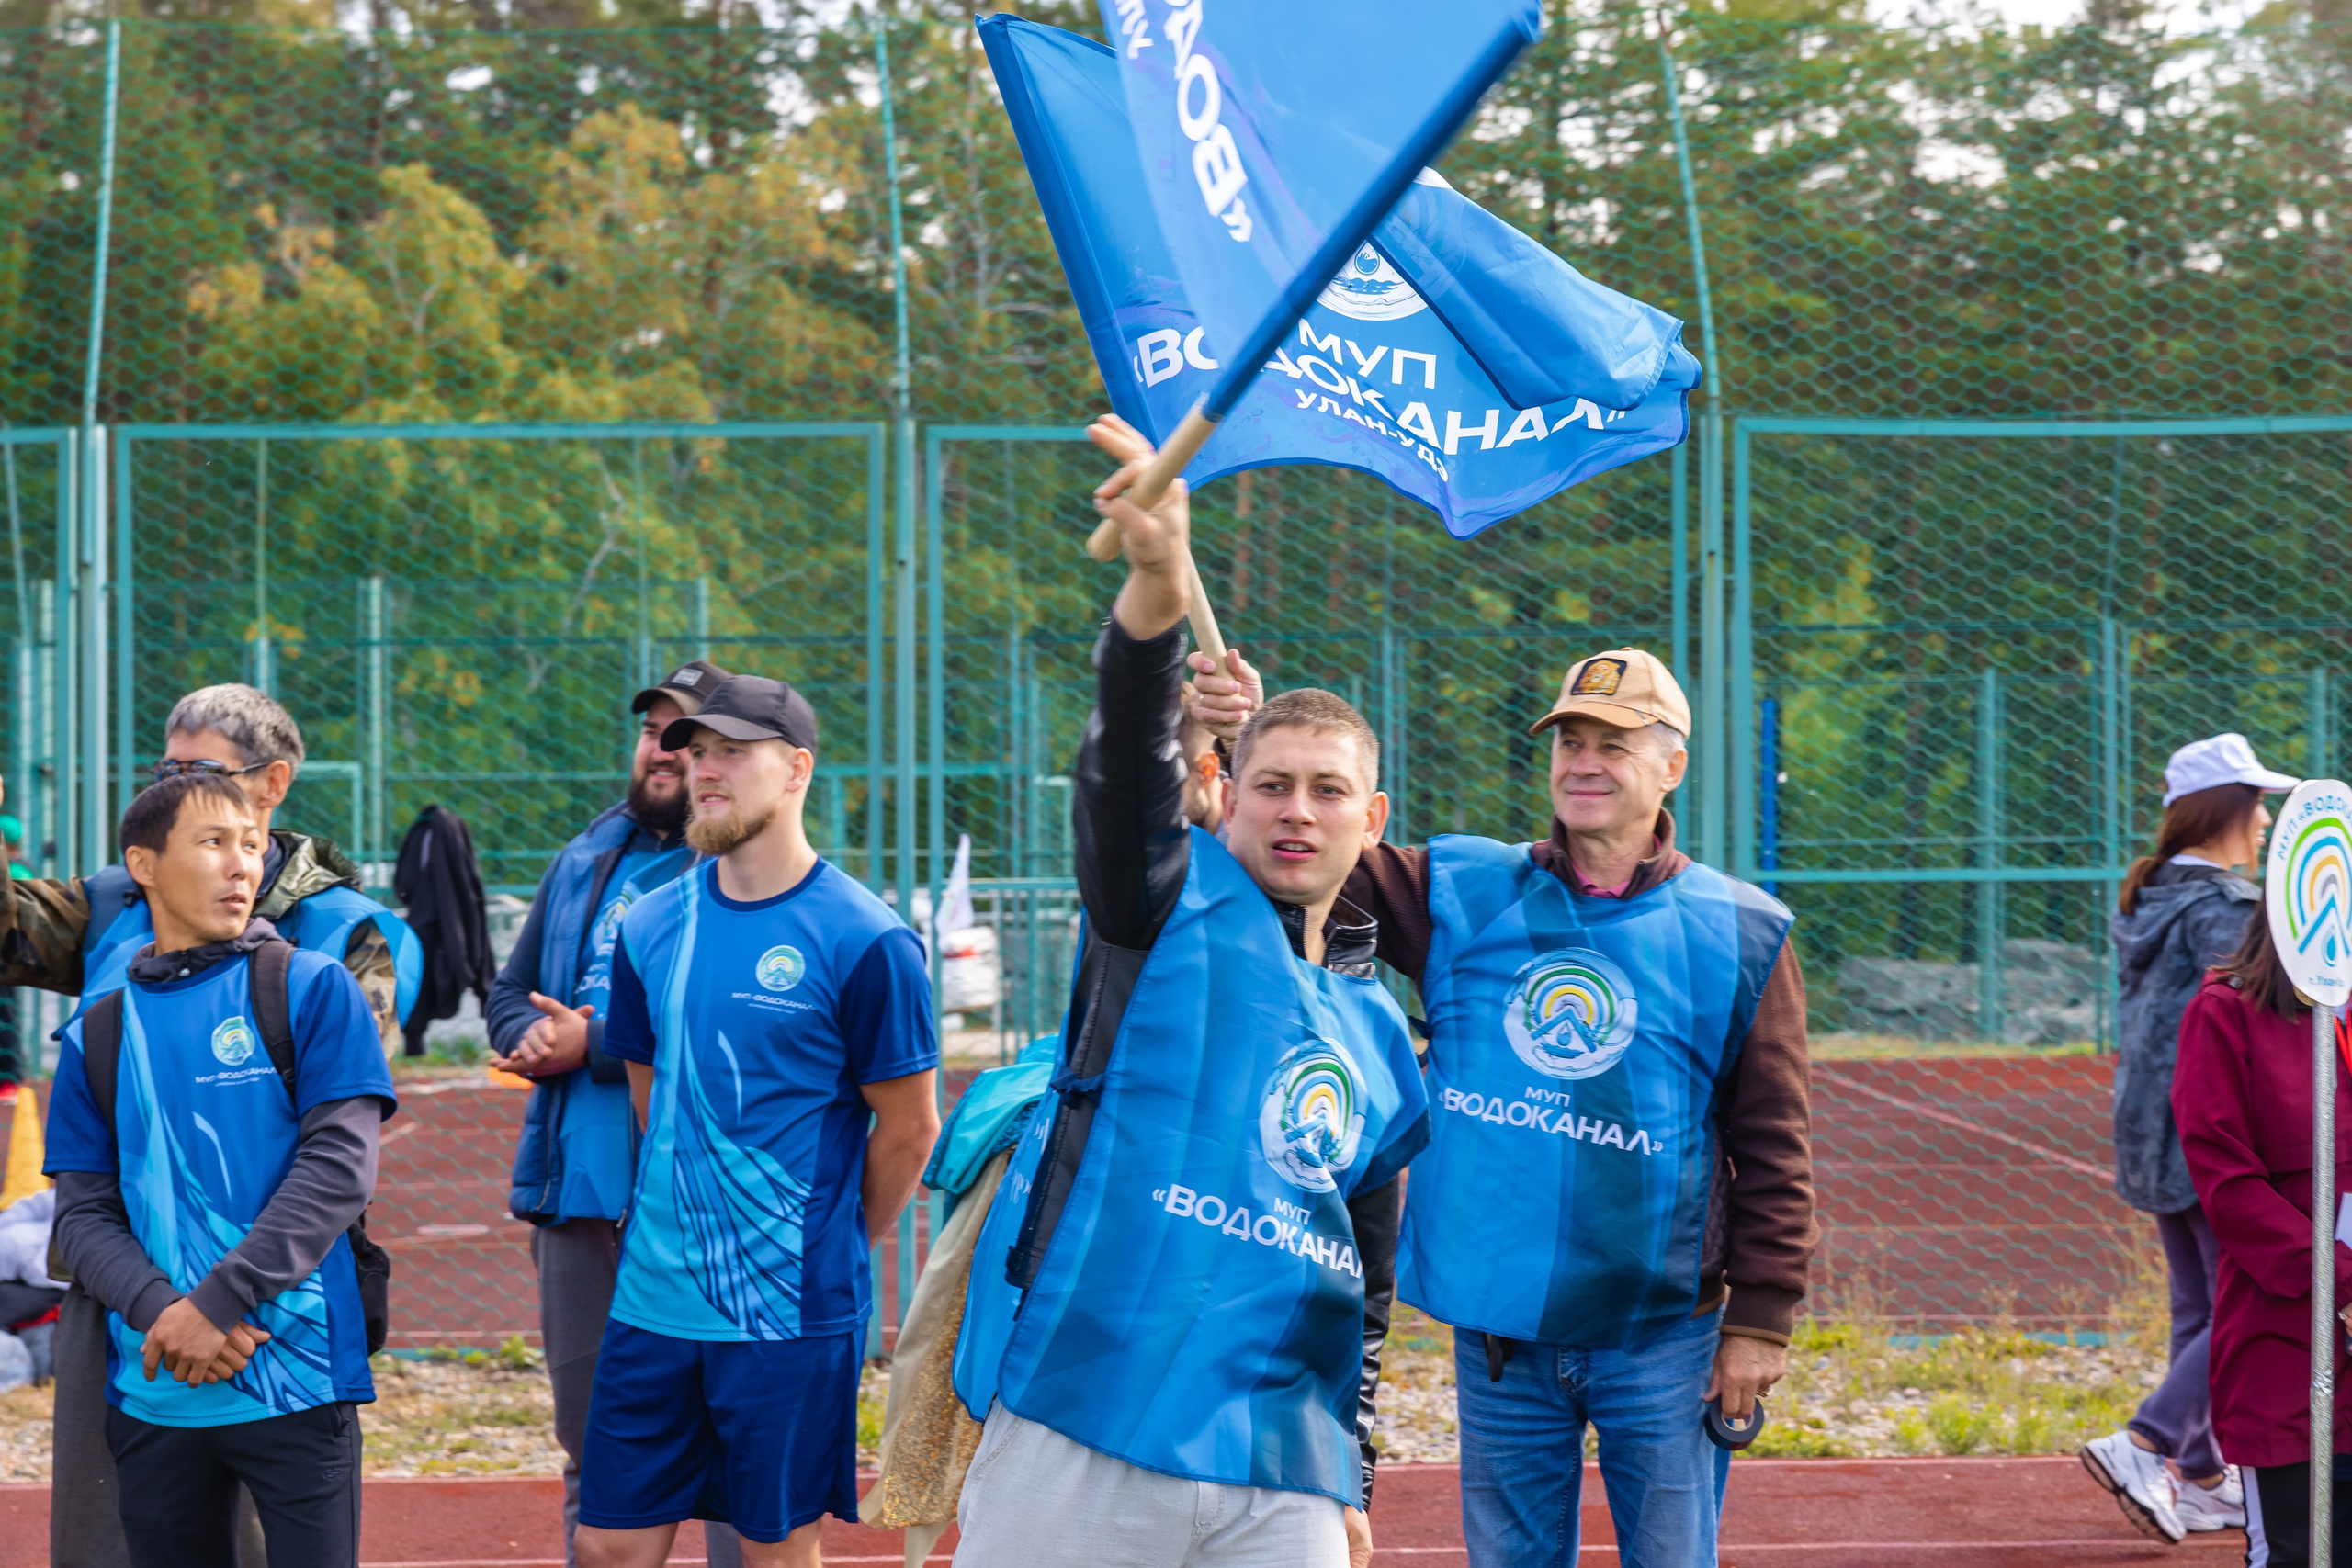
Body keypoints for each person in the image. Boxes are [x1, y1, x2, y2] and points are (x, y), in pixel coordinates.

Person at [1194, 641, 1811, 1567]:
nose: (1585, 761)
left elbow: (1772, 1144)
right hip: (1501, 1336)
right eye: (1569, 741)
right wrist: (1229, 740)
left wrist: (1761, 1317)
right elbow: (1297, 841)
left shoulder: (1741, 932)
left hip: (1663, 1335)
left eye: (1614, 741)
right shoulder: (1466, 890)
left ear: (1671, 764)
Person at [949, 420, 1430, 1568]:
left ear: (1370, 823)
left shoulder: (1378, 1037)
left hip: (1280, 1471)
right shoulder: (1158, 922)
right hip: (1086, 1418)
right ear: (1228, 800)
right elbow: (1121, 781)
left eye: (1327, 791)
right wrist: (1157, 601)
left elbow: (1362, 1288)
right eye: (1270, 784)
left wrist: (1350, 1464)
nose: (1297, 811)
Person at [6, 683, 422, 1568]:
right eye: (166, 768)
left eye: (199, 769)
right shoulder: (118, 903)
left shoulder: (334, 942)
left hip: (278, 1316)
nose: (175, 781)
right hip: (132, 1298)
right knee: (111, 1533)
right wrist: (164, 1308)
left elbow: (335, 1147)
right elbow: (83, 1196)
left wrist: (216, 1302)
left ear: (271, 786)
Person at [575, 674, 940, 1568]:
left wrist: (831, 1241)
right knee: (608, 1547)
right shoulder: (652, 923)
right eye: (695, 751)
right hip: (654, 1304)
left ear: (796, 771)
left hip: (790, 1315)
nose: (702, 768)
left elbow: (909, 1129)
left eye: (732, 751)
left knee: (775, 1553)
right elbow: (646, 1093)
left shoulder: (867, 938)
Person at [483, 660, 743, 1568]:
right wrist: (525, 1033)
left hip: (698, 1208)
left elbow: (738, 1033)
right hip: (578, 1192)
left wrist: (588, 1045)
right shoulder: (585, 855)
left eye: (692, 737)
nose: (667, 753)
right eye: (654, 733)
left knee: (725, 1449)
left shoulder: (742, 868)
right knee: (592, 1449)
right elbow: (509, 989)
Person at [2081, 733, 2291, 1541]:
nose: (2270, 819)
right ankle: (2150, 1440)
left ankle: (2202, 1475)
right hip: (2210, 1129)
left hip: (2148, 1126)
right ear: (2229, 808)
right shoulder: (2224, 912)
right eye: (2261, 802)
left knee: (2198, 1305)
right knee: (2239, 1305)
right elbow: (2259, 1020)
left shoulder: (2150, 897)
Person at [2173, 902, 2352, 1567]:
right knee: (2299, 1551)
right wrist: (2336, 1274)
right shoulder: (2226, 1012)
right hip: (2288, 1333)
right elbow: (2226, 1179)